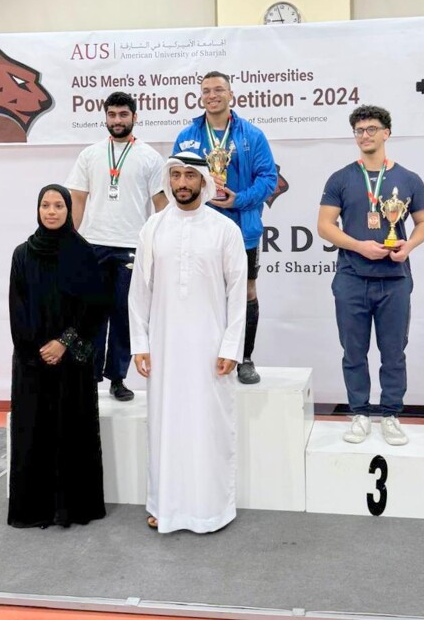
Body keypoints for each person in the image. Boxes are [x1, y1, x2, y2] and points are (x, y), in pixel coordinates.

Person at [128, 153, 247, 533]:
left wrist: (231, 346)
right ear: (169, 180)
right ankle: (165, 505)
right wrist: (140, 342)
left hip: (210, 350)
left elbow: (237, 292)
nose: (182, 182)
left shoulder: (224, 229)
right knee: (166, 426)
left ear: (203, 182)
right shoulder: (153, 228)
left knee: (207, 426)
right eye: (176, 175)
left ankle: (211, 509)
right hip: (163, 347)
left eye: (189, 176)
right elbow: (138, 293)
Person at [318, 105, 424, 446]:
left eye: (371, 129)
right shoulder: (340, 178)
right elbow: (324, 226)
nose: (364, 135)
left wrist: (408, 246)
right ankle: (360, 414)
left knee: (393, 351)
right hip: (352, 276)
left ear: (387, 133)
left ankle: (391, 414)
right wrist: (359, 246)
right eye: (359, 130)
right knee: (353, 351)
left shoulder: (409, 179)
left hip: (394, 279)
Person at [8, 185, 107, 528]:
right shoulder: (22, 254)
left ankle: (72, 507)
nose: (51, 211)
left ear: (69, 210)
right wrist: (38, 350)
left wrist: (64, 343)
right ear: (38, 210)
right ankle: (35, 508)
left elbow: (94, 307)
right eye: (45, 205)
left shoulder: (82, 253)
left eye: (58, 205)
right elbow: (17, 309)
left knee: (71, 430)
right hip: (34, 363)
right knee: (34, 429)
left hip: (72, 362)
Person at [173, 71, 277, 384]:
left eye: (219, 90)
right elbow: (177, 177)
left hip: (242, 227)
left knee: (245, 291)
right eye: (206, 91)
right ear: (200, 96)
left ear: (231, 95)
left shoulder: (252, 135)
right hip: (199, 227)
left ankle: (244, 357)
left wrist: (238, 200)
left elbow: (268, 178)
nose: (212, 95)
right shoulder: (188, 136)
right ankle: (202, 354)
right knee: (200, 291)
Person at [66, 92, 167, 401]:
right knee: (90, 316)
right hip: (93, 245)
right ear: (105, 117)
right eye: (112, 114)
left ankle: (118, 378)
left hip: (131, 248)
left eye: (123, 114)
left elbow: (161, 205)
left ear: (135, 117)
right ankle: (89, 376)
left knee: (125, 316)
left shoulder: (150, 157)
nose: (117, 120)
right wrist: (70, 243)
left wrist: (159, 246)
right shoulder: (90, 154)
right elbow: (78, 200)